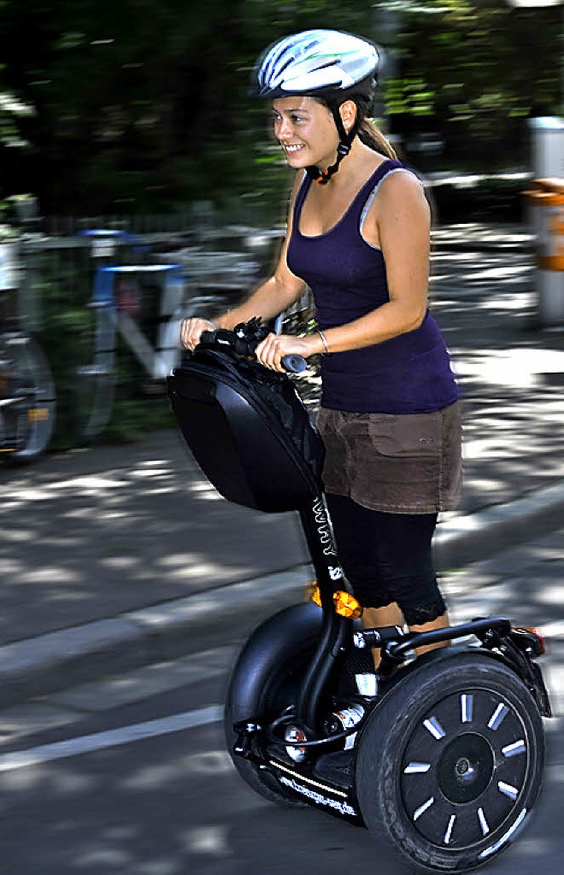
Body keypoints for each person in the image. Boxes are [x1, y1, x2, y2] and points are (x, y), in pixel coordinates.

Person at [180, 29, 461, 654]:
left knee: (406, 577)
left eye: (297, 117)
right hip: (342, 407)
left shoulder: (396, 191)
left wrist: (313, 344)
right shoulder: (308, 183)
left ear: (346, 113)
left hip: (409, 409)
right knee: (359, 573)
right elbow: (287, 279)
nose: (283, 131)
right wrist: (218, 326)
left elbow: (408, 309)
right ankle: (385, 696)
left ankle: (440, 695)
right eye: (278, 117)